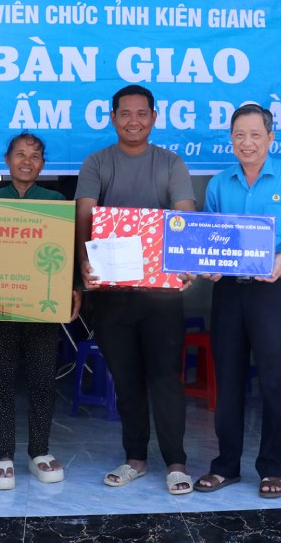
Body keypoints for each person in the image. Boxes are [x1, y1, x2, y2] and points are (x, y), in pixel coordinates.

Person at [194, 103, 281, 498]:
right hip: (230, 292)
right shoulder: (219, 183)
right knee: (228, 379)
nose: (246, 143)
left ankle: (272, 468)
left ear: (271, 138)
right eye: (239, 135)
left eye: (255, 135)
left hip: (273, 290)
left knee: (273, 379)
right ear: (230, 140)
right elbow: (209, 235)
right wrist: (208, 264)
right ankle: (226, 466)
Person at [75, 84, 196, 495]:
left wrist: (185, 260)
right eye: (125, 113)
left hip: (162, 295)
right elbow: (84, 216)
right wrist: (83, 265)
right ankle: (135, 459)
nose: (133, 121)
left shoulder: (170, 163)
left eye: (142, 113)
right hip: (111, 296)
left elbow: (185, 215)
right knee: (125, 380)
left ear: (154, 117)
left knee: (165, 377)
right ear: (112, 118)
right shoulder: (97, 162)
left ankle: (176, 463)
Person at [0, 132, 81, 489]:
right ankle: (3, 454)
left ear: (43, 164)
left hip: (42, 305)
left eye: (35, 155)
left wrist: (74, 289)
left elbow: (65, 255)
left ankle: (39, 451)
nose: (27, 161)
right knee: (0, 380)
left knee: (42, 380)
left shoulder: (54, 201)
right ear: (6, 160)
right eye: (20, 154)